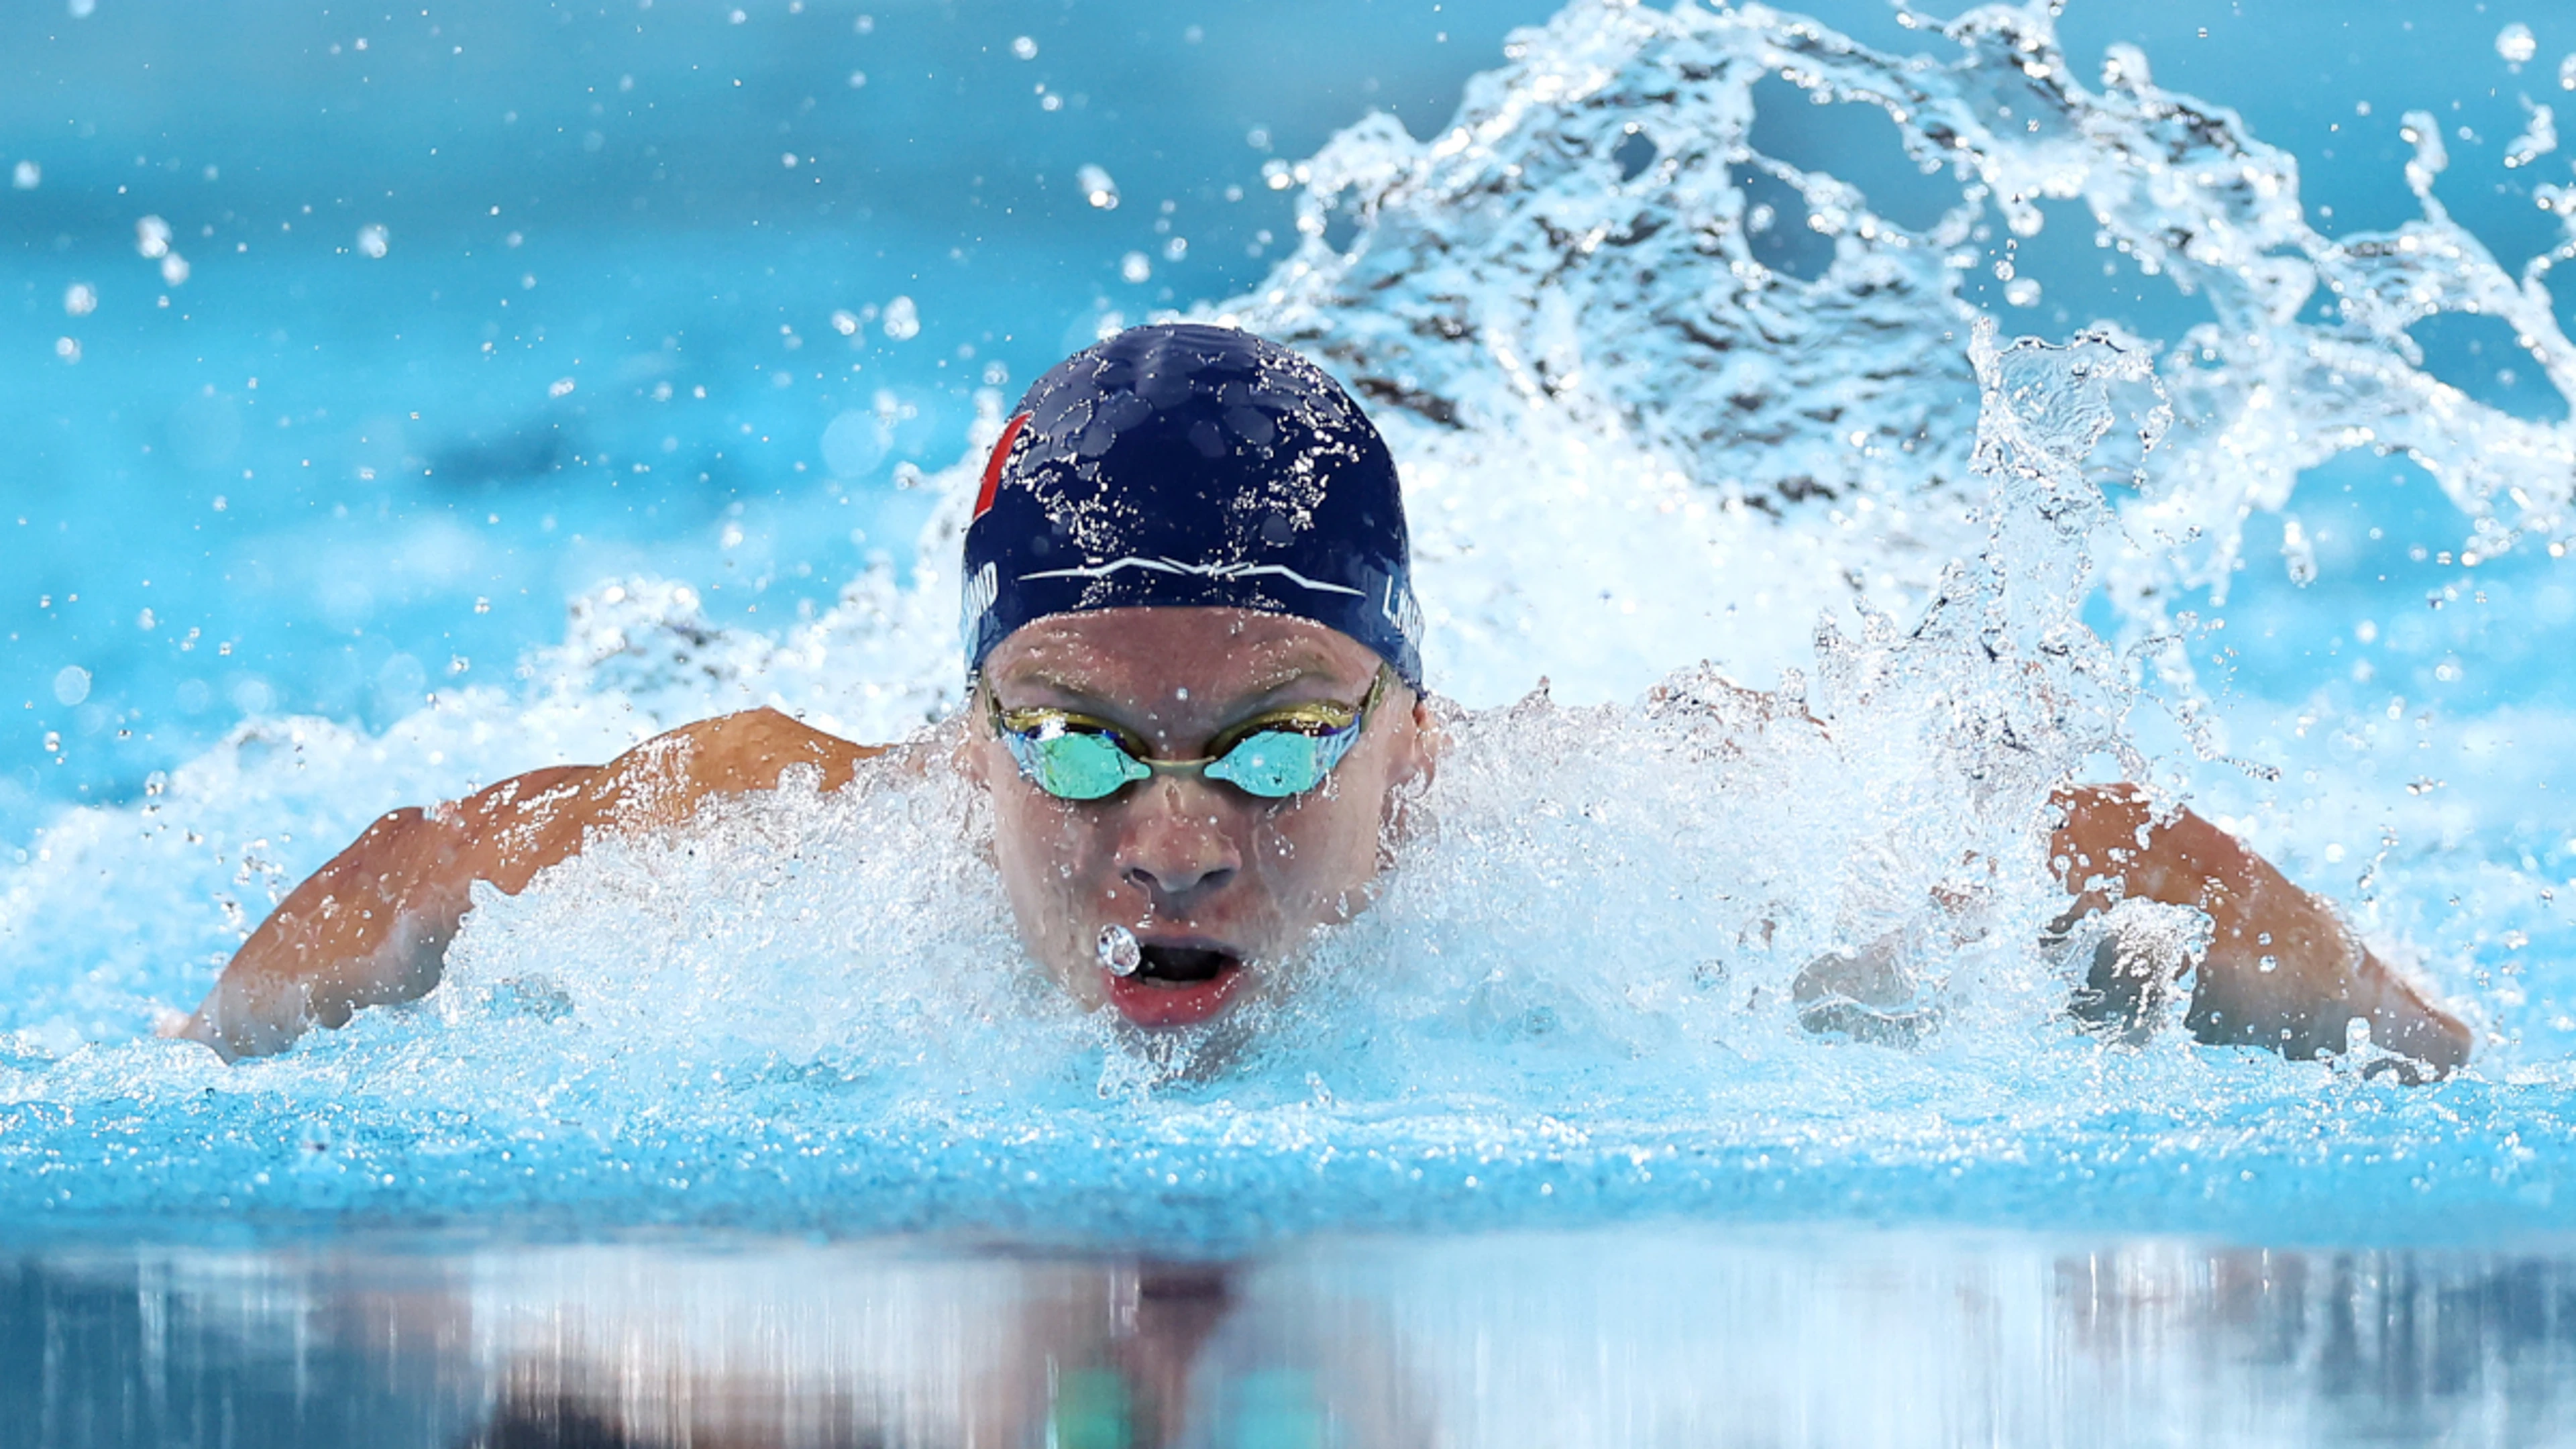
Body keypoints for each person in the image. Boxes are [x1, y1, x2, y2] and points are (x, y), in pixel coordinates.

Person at [168, 323, 2474, 1075]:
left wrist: (2458, 1079)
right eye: (1070, 737)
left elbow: (2084, 854)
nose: (1169, 836)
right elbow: (432, 864)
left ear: (1412, 725)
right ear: (966, 729)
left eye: (1276, 739)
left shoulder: (1634, 874)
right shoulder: (782, 859)